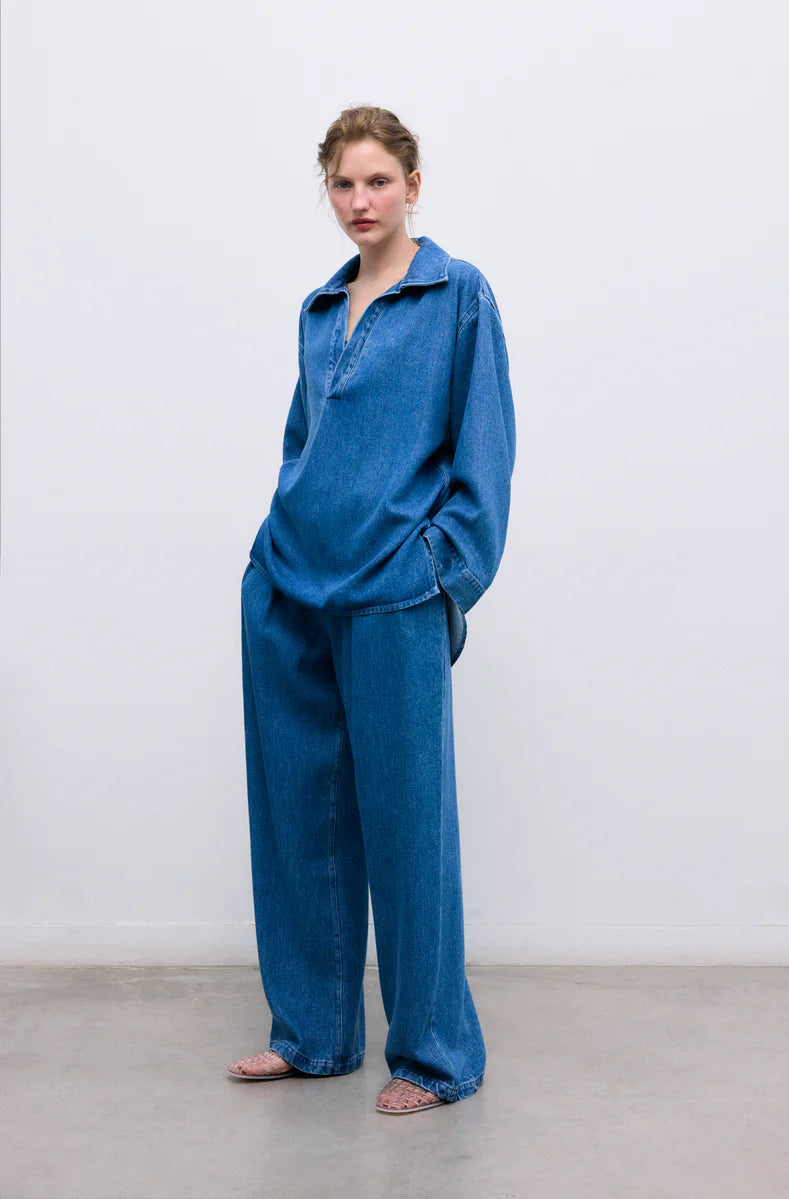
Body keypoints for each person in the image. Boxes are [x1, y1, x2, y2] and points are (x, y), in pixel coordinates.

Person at [227, 105, 516, 1115]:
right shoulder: (319, 308)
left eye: (378, 181)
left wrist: (440, 573)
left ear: (412, 184)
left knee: (407, 826)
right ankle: (312, 1033)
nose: (360, 201)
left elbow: (484, 455)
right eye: (344, 184)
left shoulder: (457, 295)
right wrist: (267, 553)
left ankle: (434, 1053)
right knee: (298, 816)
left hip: (394, 591)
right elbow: (301, 445)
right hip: (290, 586)